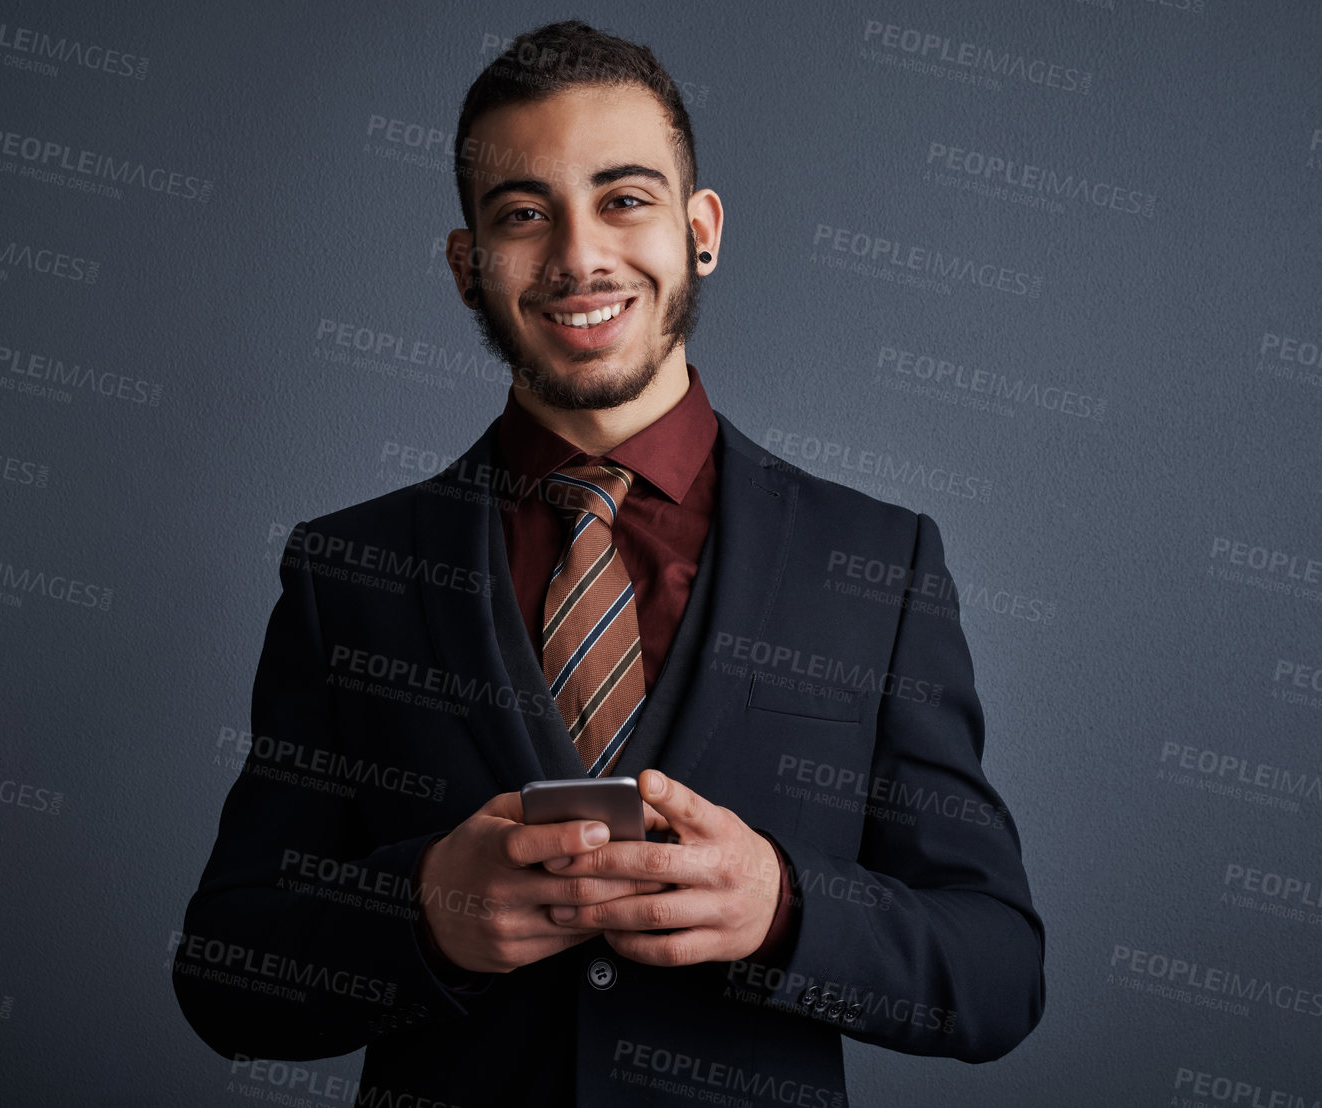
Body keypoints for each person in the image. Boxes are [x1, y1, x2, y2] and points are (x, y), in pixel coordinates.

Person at [174, 20, 1044, 1106]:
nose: (580, 256)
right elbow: (222, 975)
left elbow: (998, 972)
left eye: (623, 198)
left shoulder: (876, 561)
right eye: (525, 214)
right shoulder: (347, 569)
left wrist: (784, 910)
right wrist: (423, 913)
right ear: (466, 265)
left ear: (700, 228)